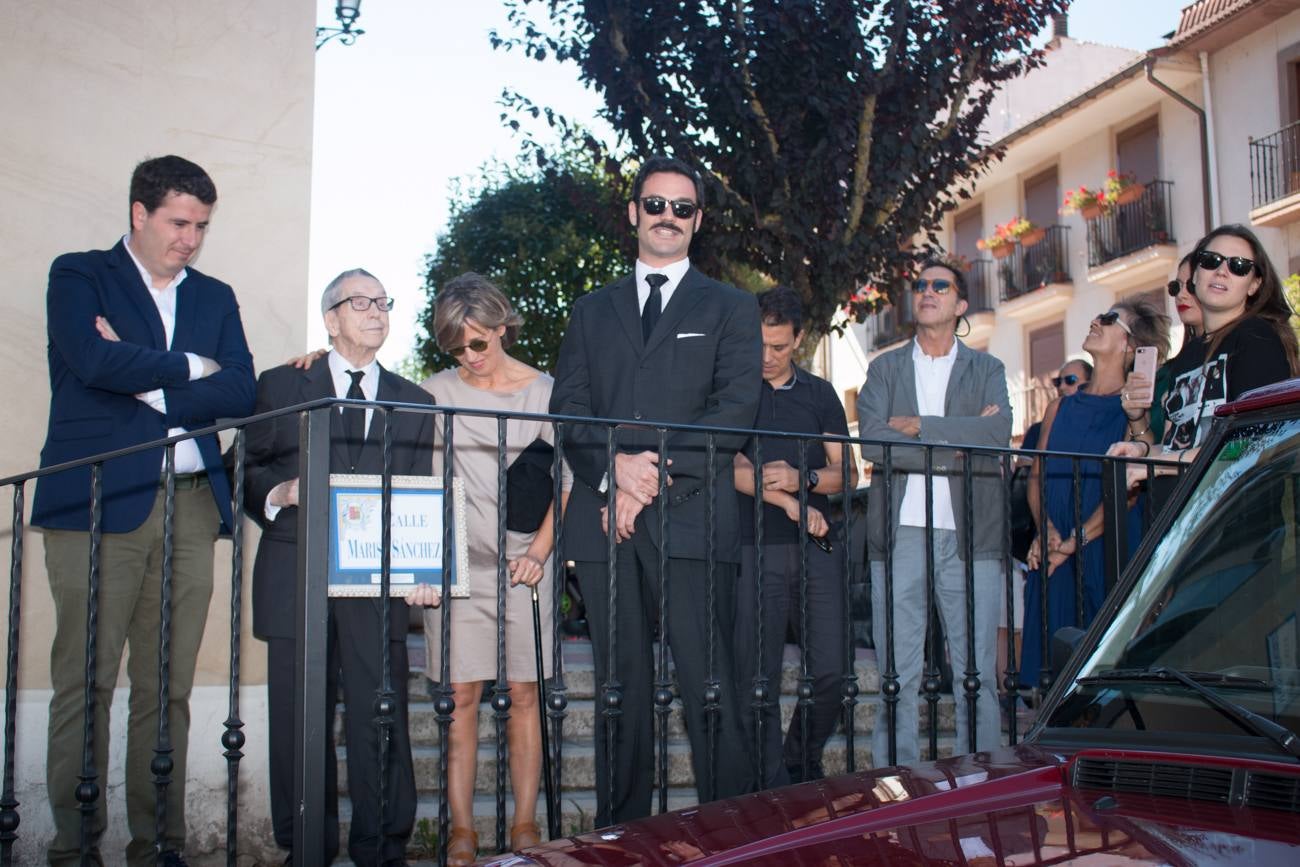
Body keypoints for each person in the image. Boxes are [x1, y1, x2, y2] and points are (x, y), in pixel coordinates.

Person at [32, 155, 255, 867]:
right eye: (178, 222)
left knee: (169, 687)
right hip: (96, 500)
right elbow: (90, 365)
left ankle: (159, 844)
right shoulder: (79, 274)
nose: (190, 238)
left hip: (193, 505)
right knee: (86, 680)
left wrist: (145, 377)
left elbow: (242, 391)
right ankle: (74, 847)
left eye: (201, 226)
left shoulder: (215, 297)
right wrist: (193, 368)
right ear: (139, 212)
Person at [549, 155, 762, 824]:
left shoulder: (731, 307)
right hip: (607, 525)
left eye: (681, 207)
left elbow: (734, 411)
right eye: (655, 204)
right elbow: (569, 408)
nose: (667, 216)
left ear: (697, 221)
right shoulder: (591, 309)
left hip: (694, 522)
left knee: (711, 689)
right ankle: (622, 832)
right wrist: (616, 471)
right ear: (634, 212)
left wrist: (648, 477)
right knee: (621, 688)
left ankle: (733, 831)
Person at [243, 269, 434, 865]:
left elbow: (419, 494)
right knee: (298, 719)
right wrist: (282, 493)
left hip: (376, 582)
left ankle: (382, 846)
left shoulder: (416, 400)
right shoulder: (281, 385)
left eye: (383, 302)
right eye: (361, 302)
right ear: (330, 319)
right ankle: (306, 846)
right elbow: (245, 466)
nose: (376, 311)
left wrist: (425, 565)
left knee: (382, 713)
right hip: (293, 573)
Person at [419, 273, 569, 864]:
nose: (469, 358)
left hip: (529, 565)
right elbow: (421, 484)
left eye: (478, 343)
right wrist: (428, 562)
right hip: (458, 567)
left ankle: (525, 826)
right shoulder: (434, 393)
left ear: (504, 327)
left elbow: (569, 480)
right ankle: (461, 832)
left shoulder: (548, 392)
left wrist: (538, 552)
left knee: (527, 695)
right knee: (459, 698)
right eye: (456, 348)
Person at [855, 258, 1011, 767]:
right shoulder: (883, 369)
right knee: (897, 672)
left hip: (973, 535)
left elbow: (995, 435)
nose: (926, 291)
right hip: (899, 533)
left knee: (977, 674)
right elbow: (873, 445)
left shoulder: (987, 369)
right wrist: (954, 442)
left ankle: (979, 783)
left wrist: (919, 426)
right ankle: (895, 784)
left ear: (960, 304)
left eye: (939, 285)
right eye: (919, 284)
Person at [730, 285, 855, 788]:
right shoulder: (733, 389)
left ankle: (800, 760)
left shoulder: (820, 394)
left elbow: (845, 473)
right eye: (759, 344)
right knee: (755, 678)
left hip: (816, 547)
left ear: (799, 339)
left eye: (778, 346)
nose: (766, 356)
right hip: (748, 545)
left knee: (832, 671)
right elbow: (726, 463)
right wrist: (784, 498)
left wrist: (800, 479)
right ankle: (771, 780)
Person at [1019, 297, 1170, 690]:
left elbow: (1131, 491)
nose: (1095, 321)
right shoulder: (1058, 407)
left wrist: (1074, 542)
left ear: (1130, 345)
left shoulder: (1134, 412)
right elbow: (1036, 477)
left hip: (1105, 550)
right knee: (1049, 676)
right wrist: (1046, 532)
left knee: (1101, 676)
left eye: (1108, 319)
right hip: (1054, 554)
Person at [1111, 225, 1298, 480]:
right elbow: (1175, 446)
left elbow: (1254, 443)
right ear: (1196, 276)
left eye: (1239, 266)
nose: (1222, 271)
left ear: (1254, 285)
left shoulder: (1256, 337)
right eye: (1211, 261)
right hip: (1177, 514)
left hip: (1229, 516)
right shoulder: (1189, 354)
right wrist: (1140, 449)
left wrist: (1159, 463)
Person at [1118, 253, 1202, 444]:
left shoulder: (1244, 349)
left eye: (1191, 285)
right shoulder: (1169, 373)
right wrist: (1136, 417)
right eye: (1175, 287)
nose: (1181, 295)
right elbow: (1150, 451)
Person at [1021, 359, 1090, 452]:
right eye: (1058, 382)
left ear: (1090, 383)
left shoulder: (1104, 425)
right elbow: (1024, 465)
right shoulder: (1037, 431)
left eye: (1070, 380)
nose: (1061, 387)